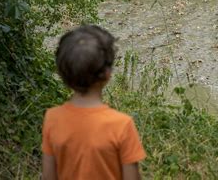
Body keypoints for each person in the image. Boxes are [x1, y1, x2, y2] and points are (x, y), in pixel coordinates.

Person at [42, 25, 146, 180]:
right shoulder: (122, 125)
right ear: (107, 74)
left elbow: (49, 176)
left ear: (62, 74)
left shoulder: (52, 118)